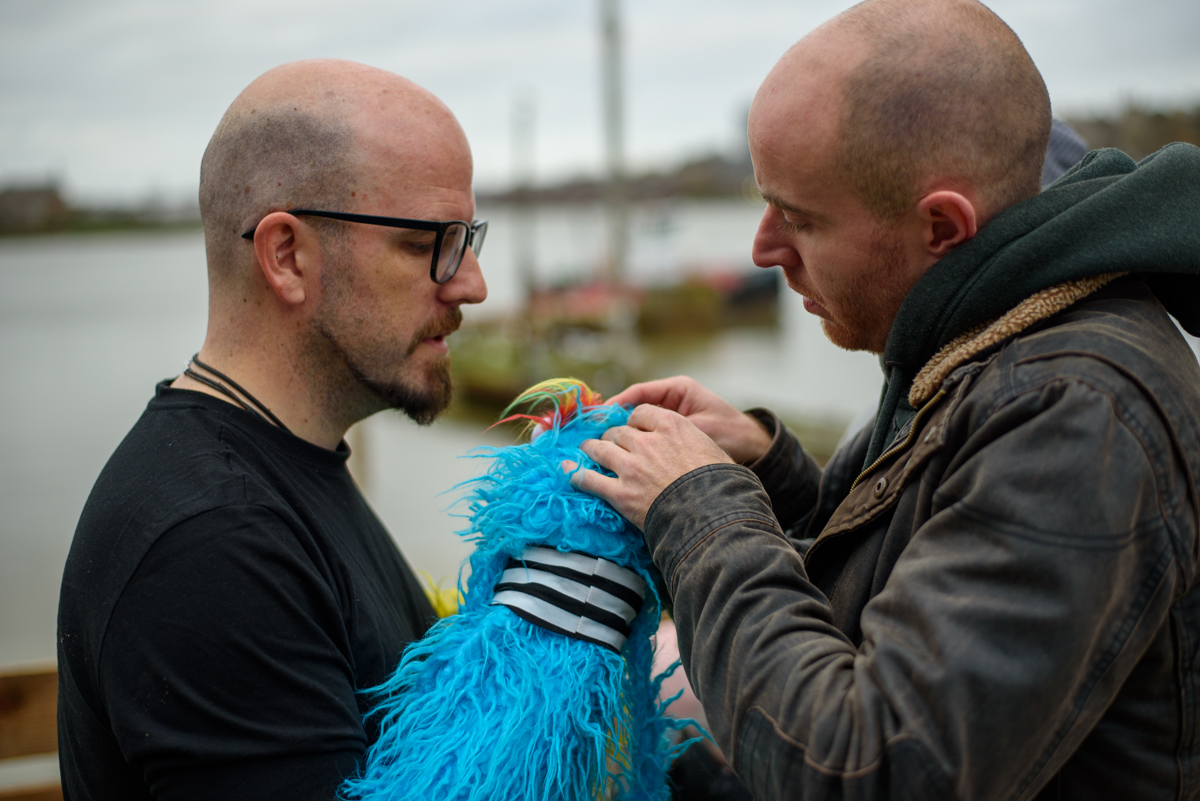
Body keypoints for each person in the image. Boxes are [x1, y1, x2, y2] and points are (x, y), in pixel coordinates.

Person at [571, 1, 1200, 798]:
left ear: (941, 223)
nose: (763, 250)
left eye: (797, 216)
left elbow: (870, 769)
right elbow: (928, 550)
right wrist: (772, 476)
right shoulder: (998, 323)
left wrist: (701, 511)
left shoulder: (1078, 411)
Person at [57, 59, 487, 799]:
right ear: (287, 255)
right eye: (429, 244)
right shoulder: (213, 544)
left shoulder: (286, 469)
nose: (472, 283)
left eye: (469, 237)